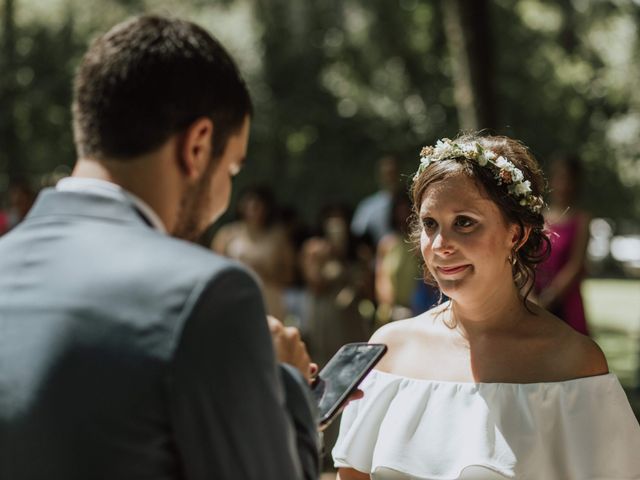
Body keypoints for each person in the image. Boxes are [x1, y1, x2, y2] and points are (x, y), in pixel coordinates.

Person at [0, 15, 320, 480]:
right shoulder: (207, 294)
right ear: (197, 146)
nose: (228, 194)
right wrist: (290, 388)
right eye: (231, 170)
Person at [333, 135, 640, 479]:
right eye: (430, 224)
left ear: (517, 234)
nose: (440, 245)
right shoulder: (388, 351)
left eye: (464, 222)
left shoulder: (572, 362)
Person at [212, 184, 296, 319]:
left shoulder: (278, 236)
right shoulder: (227, 234)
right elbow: (214, 270)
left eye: (258, 203)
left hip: (269, 299)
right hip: (235, 296)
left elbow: (289, 275)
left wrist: (265, 271)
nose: (253, 206)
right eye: (249, 201)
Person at [534, 154, 591, 335]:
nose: (563, 184)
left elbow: (575, 265)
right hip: (534, 296)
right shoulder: (538, 216)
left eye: (568, 178)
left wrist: (550, 297)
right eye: (558, 177)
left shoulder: (581, 220)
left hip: (566, 300)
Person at [351, 156, 401, 247]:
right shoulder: (368, 206)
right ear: (380, 176)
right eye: (387, 174)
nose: (390, 178)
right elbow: (357, 235)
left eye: (393, 173)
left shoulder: (411, 202)